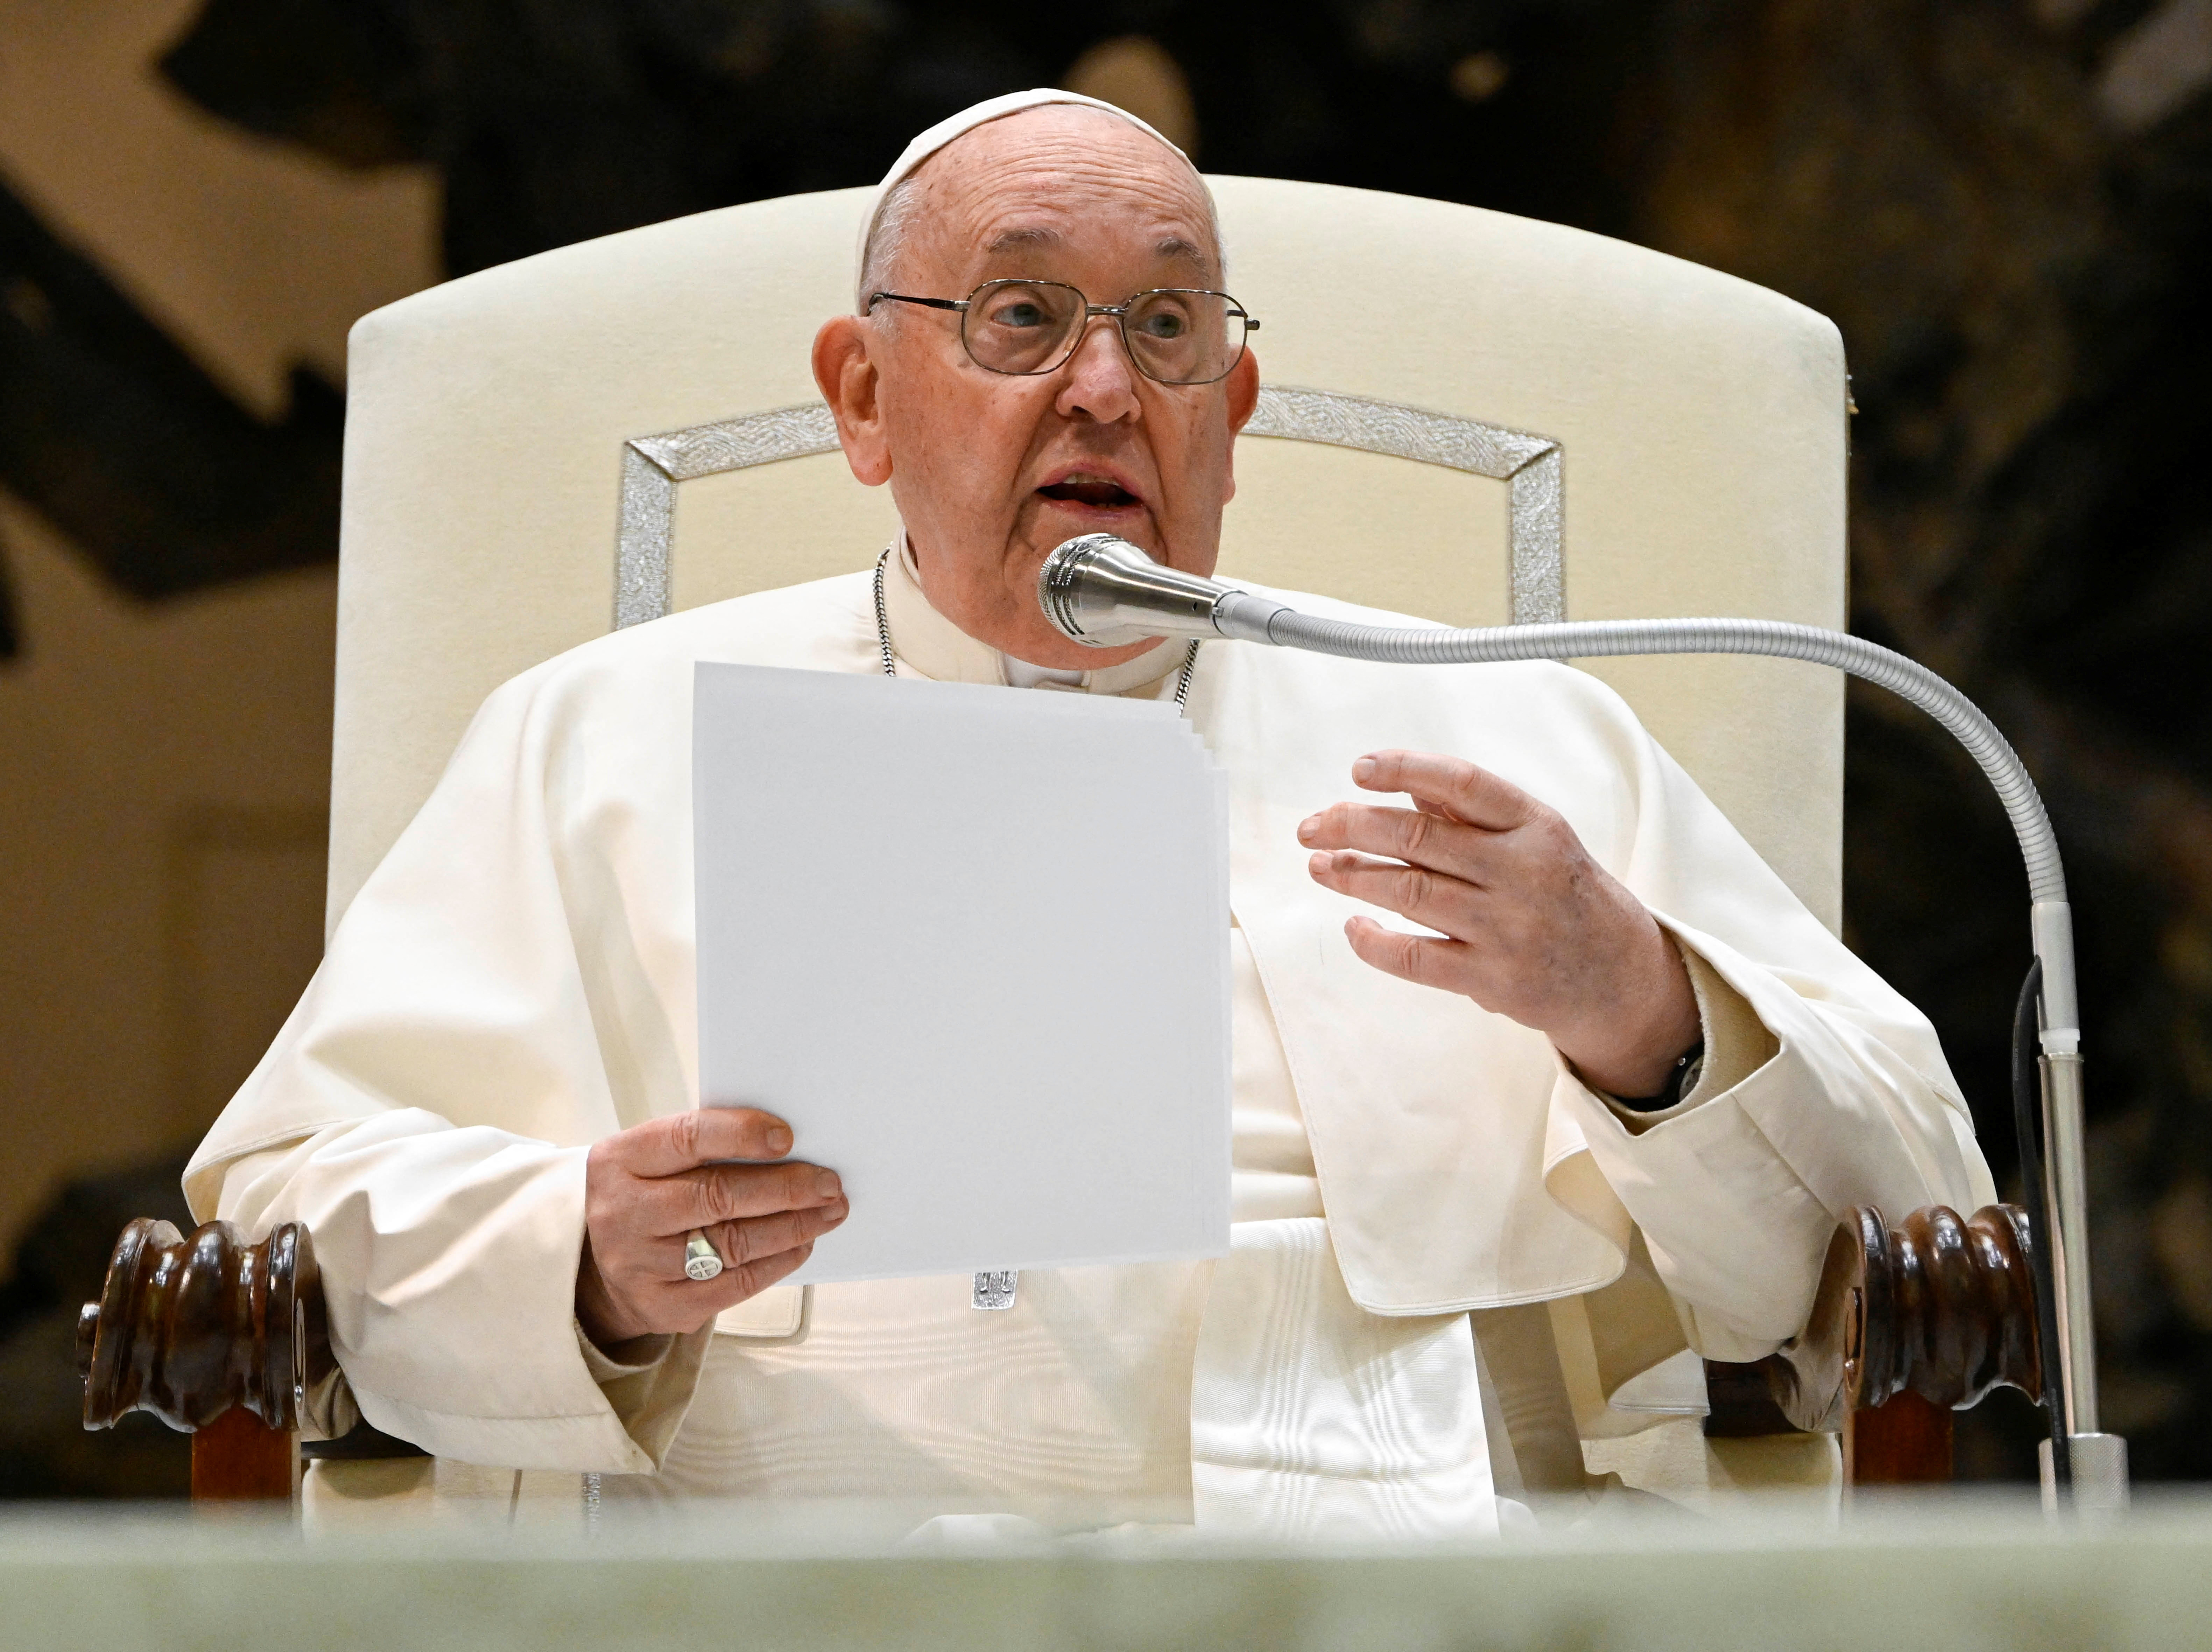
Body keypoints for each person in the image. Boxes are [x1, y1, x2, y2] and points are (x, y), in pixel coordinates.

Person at [188, 89, 1992, 1535]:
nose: (1106, 387)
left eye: (1167, 328)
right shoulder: (595, 738)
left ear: (1236, 406)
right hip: (806, 1561)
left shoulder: (1503, 730)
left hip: (1414, 1549)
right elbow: (284, 1214)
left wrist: (1650, 1020)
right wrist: (573, 1261)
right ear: (863, 398)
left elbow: (1911, 1223)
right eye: (1024, 316)